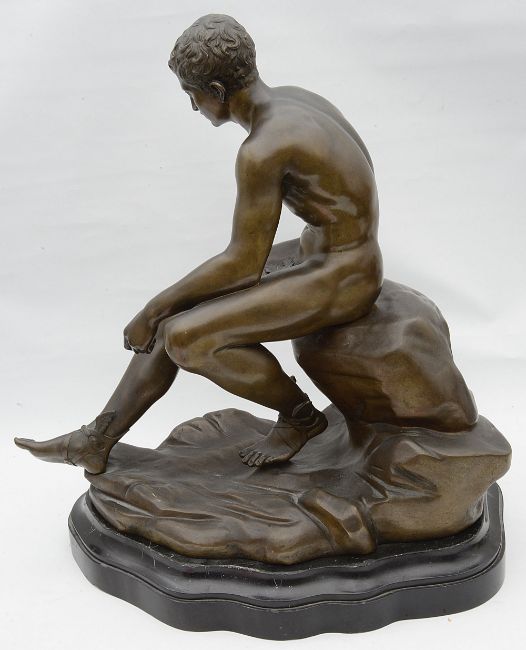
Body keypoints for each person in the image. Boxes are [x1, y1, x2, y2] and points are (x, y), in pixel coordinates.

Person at [15, 14, 382, 473]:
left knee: (185, 337)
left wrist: (152, 308)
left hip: (346, 272)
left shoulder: (263, 149)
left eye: (193, 94)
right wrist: (165, 306)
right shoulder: (297, 98)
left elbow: (243, 264)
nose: (193, 107)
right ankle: (97, 439)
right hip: (328, 250)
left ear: (217, 89)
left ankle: (299, 418)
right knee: (178, 314)